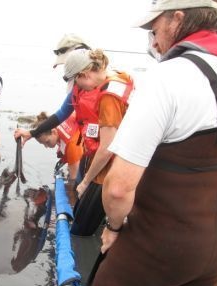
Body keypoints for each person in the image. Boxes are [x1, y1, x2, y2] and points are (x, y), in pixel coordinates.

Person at [82, 1, 217, 286]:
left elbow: (118, 187)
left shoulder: (168, 77)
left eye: (154, 31)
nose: (153, 43)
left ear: (177, 19)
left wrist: (113, 228)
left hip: (158, 241)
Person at [14, 49, 134, 235]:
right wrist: (32, 132)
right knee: (79, 207)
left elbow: (108, 148)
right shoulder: (83, 87)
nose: (74, 86)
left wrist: (85, 181)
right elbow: (61, 114)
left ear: (84, 74)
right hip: (93, 155)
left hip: (111, 164)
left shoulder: (110, 97)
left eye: (75, 80)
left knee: (81, 229)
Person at [18, 111, 83, 180]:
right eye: (43, 144)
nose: (46, 146)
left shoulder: (71, 145)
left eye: (47, 142)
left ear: (54, 132)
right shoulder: (57, 124)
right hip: (75, 135)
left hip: (85, 142)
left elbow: (73, 177)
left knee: (77, 179)